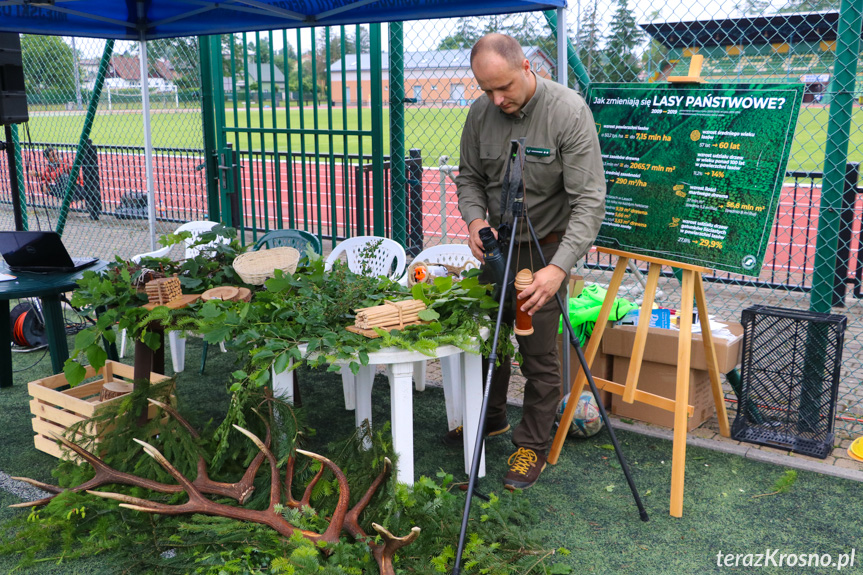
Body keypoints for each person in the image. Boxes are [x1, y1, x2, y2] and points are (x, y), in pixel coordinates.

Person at [452, 33, 606, 490]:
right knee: (487, 341)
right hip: (496, 247)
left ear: (527, 68)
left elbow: (590, 201)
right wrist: (476, 221)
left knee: (538, 355)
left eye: (504, 88)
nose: (496, 99)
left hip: (545, 252)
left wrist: (558, 268)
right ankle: (492, 417)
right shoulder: (481, 113)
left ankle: (532, 445)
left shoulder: (568, 111)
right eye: (485, 89)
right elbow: (470, 179)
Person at [31, 147, 101, 220]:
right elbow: (46, 178)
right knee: (44, 186)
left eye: (57, 154)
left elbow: (57, 174)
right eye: (53, 156)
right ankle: (67, 201)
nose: (56, 156)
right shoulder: (50, 166)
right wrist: (44, 184)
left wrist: (38, 174)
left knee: (64, 177)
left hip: (78, 189)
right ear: (47, 158)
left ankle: (68, 202)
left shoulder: (64, 162)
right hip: (65, 189)